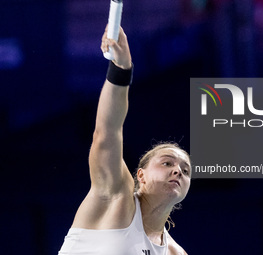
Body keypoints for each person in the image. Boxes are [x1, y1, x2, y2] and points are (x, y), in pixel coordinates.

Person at [58, 25, 191, 255]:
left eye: (186, 170)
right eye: (167, 163)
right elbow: (106, 132)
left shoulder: (173, 252)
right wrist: (121, 69)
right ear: (141, 175)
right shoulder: (116, 195)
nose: (178, 171)